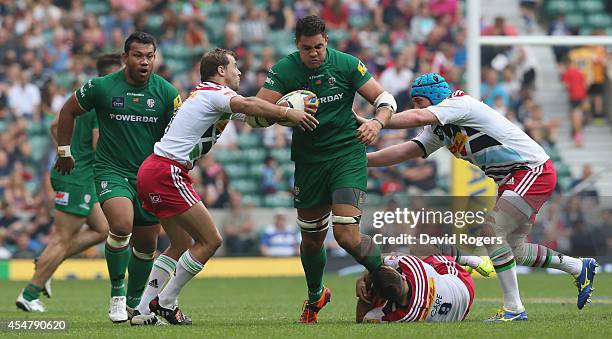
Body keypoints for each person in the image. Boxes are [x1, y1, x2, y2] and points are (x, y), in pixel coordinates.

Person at [367, 73, 598, 321]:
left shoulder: (460, 104)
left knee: (490, 232)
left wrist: (378, 121)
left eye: (419, 101)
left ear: (434, 97)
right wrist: (364, 161)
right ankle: (578, 267)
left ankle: (514, 309)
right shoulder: (440, 129)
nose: (415, 107)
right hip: (513, 178)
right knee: (514, 250)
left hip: (531, 170)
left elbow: (419, 116)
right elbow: (406, 150)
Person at [131, 48, 317, 325]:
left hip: (153, 169)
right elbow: (247, 106)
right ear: (220, 71)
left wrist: (287, 114)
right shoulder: (215, 94)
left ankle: (143, 309)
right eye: (234, 66)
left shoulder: (207, 96)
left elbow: (254, 118)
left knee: (180, 243)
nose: (239, 72)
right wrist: (287, 112)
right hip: (167, 170)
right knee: (211, 240)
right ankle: (166, 302)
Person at [256, 15, 396, 323]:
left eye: (319, 46)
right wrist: (284, 113)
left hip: (347, 154)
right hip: (309, 162)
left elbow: (385, 98)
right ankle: (316, 296)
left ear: (326, 42)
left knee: (346, 234)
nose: (314, 53)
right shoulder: (283, 70)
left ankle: (387, 276)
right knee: (311, 239)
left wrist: (376, 122)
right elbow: (256, 113)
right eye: (307, 48)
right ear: (297, 45)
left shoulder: (346, 64)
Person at [54, 32, 192, 323]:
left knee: (146, 246)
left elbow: (181, 133)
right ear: (125, 57)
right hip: (111, 170)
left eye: (150, 56)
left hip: (149, 175)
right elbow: (67, 111)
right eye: (138, 55)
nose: (144, 61)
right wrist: (64, 151)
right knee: (120, 224)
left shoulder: (167, 93)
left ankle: (133, 304)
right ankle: (116, 295)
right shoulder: (102, 87)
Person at [16, 54, 123, 312]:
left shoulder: (83, 95)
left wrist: (68, 150)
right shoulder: (103, 102)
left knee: (103, 228)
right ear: (113, 74)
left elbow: (55, 125)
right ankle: (29, 294)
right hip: (77, 177)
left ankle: (46, 261)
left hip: (74, 172)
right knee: (63, 238)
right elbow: (99, 145)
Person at [355, 255, 474, 323]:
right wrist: (364, 277)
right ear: (402, 276)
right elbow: (381, 259)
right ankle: (467, 259)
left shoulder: (403, 316)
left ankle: (467, 260)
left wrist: (365, 285)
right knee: (424, 250)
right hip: (464, 286)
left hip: (459, 315)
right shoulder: (412, 265)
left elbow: (361, 317)